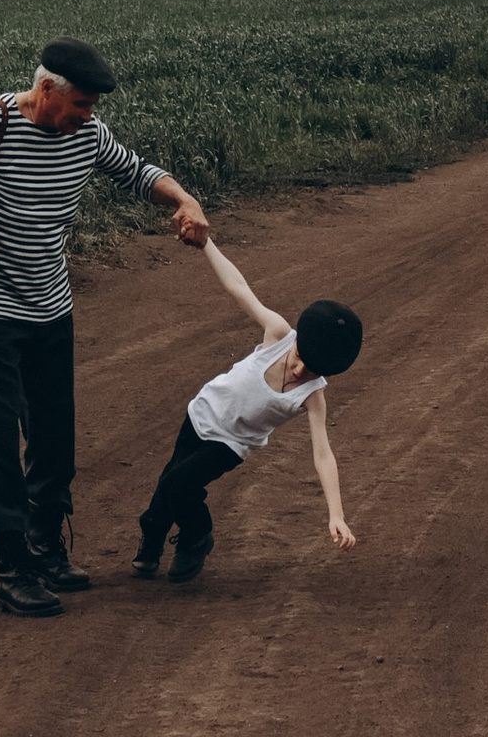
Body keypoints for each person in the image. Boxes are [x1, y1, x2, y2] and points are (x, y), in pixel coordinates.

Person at [0, 36, 209, 617]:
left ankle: (46, 543)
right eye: (80, 105)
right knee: (2, 439)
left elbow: (136, 172)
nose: (88, 119)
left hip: (52, 304)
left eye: (93, 109)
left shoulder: (88, 136)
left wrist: (184, 200)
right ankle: (13, 568)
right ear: (47, 89)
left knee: (55, 434)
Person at [136, 233, 361, 584]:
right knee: (168, 487)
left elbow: (323, 455)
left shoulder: (312, 396)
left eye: (313, 371)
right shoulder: (278, 332)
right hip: (201, 413)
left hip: (230, 444)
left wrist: (337, 514)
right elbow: (238, 287)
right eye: (300, 358)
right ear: (298, 340)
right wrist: (205, 242)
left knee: (179, 483)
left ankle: (198, 536)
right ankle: (150, 544)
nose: (301, 371)